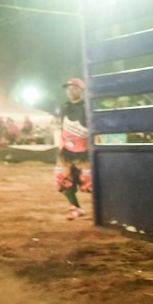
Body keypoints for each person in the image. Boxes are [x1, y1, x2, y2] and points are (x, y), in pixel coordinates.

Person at [54, 77, 91, 219]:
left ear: (81, 90)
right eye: (68, 89)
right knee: (62, 179)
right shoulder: (65, 107)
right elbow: (62, 127)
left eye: (74, 88)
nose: (70, 91)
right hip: (67, 152)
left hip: (84, 151)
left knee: (90, 183)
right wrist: (61, 145)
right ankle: (76, 208)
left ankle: (109, 210)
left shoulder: (86, 107)